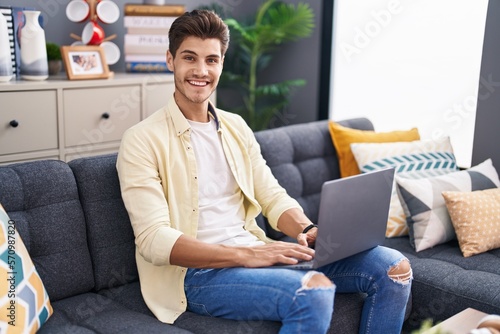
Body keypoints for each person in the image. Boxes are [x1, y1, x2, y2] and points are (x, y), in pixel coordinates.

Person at [116, 9, 412, 334]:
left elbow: (271, 196)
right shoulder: (141, 140)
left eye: (211, 60)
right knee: (312, 292)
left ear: (222, 64)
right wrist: (244, 255)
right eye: (190, 58)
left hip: (255, 251)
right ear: (171, 60)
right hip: (196, 274)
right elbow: (153, 240)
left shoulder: (236, 127)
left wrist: (308, 228)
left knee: (393, 268)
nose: (201, 71)